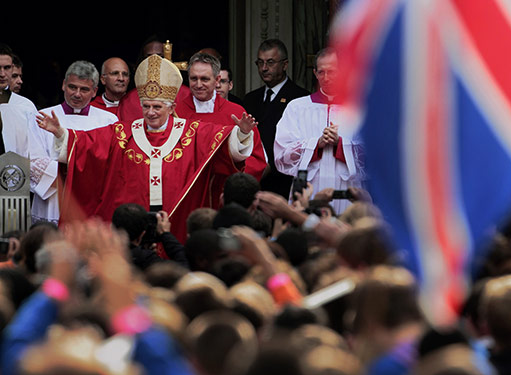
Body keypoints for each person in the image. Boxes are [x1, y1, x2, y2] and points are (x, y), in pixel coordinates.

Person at [35, 54, 259, 241]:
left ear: (171, 108)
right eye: (146, 106)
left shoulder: (192, 131)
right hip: (133, 223)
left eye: (157, 107)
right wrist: (61, 134)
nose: (150, 112)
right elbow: (88, 145)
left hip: (176, 218)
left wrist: (242, 134)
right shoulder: (124, 132)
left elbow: (221, 144)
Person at [25, 60, 118, 225]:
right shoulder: (41, 117)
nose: (77, 94)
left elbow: (113, 164)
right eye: (72, 87)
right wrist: (79, 172)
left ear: (95, 91)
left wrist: (76, 171)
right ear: (63, 85)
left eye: (84, 89)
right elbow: (33, 160)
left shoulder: (109, 121)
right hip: (53, 199)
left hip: (93, 201)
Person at [274, 47, 365, 214]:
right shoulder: (297, 107)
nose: (326, 78)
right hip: (309, 188)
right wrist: (316, 144)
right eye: (321, 72)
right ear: (315, 73)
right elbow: (281, 154)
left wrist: (341, 144)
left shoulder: (358, 109)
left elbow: (375, 156)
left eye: (332, 72)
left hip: (347, 189)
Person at [175, 51, 267, 186]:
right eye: (194, 79)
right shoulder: (176, 113)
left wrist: (234, 184)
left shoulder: (236, 112)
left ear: (217, 80)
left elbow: (256, 159)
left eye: (204, 79)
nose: (198, 85)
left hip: (224, 191)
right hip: (187, 189)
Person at [243, 39, 309, 198]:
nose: (264, 68)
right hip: (253, 182)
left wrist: (270, 165)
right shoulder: (251, 99)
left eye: (270, 62)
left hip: (283, 181)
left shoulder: (300, 99)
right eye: (260, 63)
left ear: (285, 64)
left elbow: (300, 143)